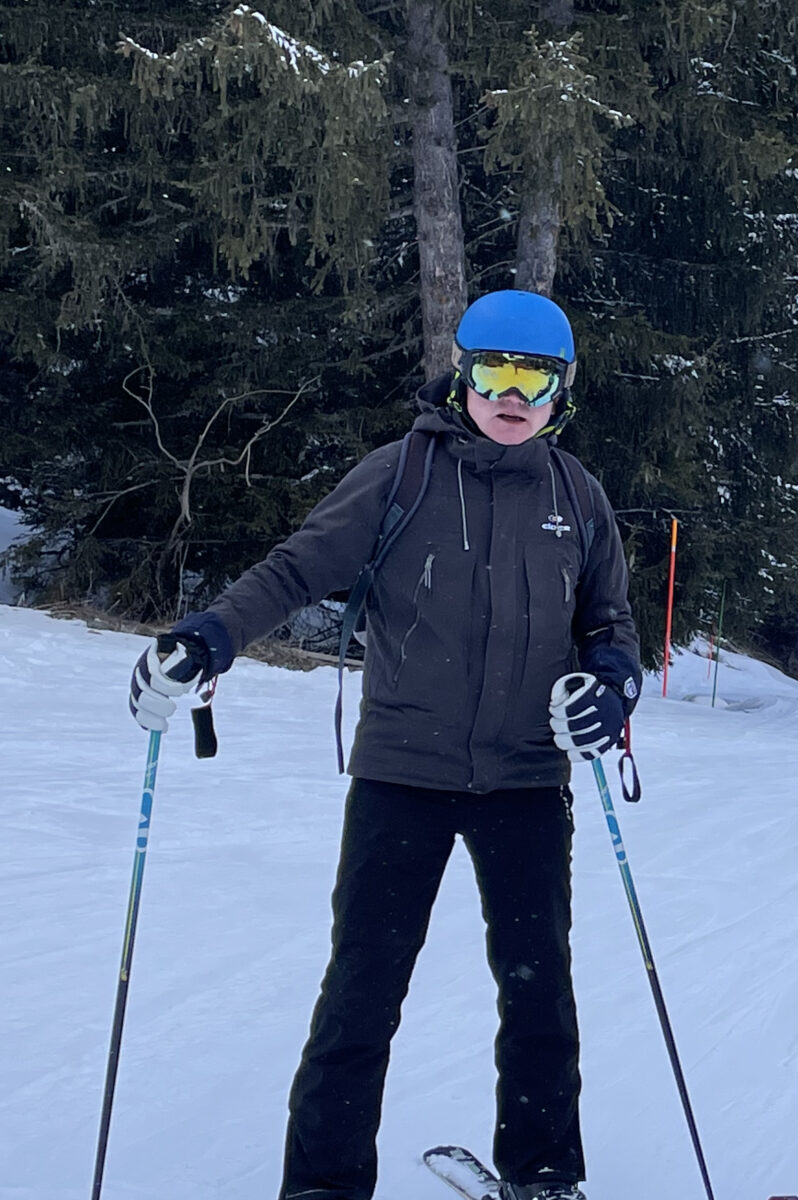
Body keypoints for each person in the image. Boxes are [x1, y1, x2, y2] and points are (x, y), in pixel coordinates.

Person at [126, 290, 641, 1200]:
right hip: (403, 772)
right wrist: (209, 635)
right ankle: (322, 1184)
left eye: (535, 378)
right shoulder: (401, 473)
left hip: (526, 781)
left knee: (539, 997)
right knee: (363, 992)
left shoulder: (579, 496)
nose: (511, 394)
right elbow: (297, 567)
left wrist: (610, 689)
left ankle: (546, 1175)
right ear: (464, 374)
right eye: (494, 371)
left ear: (563, 393)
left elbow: (612, 629)